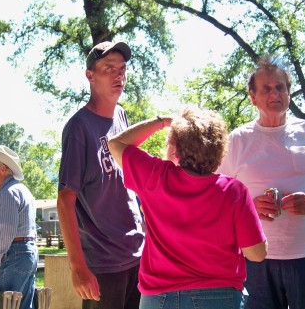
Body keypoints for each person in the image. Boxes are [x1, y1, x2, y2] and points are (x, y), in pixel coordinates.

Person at [218, 57, 305, 309]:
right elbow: (218, 201)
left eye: (281, 87)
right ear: (253, 97)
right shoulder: (237, 141)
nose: (275, 93)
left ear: (288, 93)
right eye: (267, 88)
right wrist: (250, 208)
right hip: (255, 260)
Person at [108, 107, 267, 309]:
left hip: (159, 298)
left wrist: (162, 121)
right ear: (219, 148)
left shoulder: (155, 177)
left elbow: (116, 144)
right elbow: (256, 254)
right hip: (219, 297)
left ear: (176, 147)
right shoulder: (234, 191)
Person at [57, 41, 144, 309]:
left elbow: (129, 183)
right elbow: (64, 201)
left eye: (122, 69)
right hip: (104, 265)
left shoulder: (121, 116)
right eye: (109, 68)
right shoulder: (79, 128)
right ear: (90, 75)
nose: (119, 75)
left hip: (138, 255)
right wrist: (78, 268)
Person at [0, 145, 38, 309]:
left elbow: (6, 232)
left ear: (3, 168)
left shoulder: (7, 192)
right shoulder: (22, 190)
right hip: (28, 253)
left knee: (3, 304)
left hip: (15, 255)